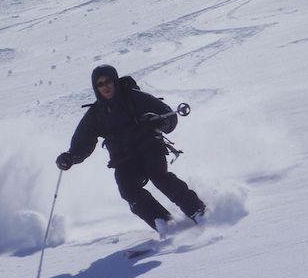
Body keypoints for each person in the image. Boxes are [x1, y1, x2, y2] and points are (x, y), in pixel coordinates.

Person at [55, 65, 205, 236]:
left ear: (115, 81)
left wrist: (161, 123)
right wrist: (71, 157)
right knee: (127, 188)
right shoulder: (96, 114)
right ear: (96, 88)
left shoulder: (135, 97)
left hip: (149, 147)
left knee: (158, 176)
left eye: (108, 81)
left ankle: (197, 210)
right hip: (124, 159)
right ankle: (163, 222)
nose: (106, 86)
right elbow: (83, 141)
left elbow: (168, 115)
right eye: (100, 84)